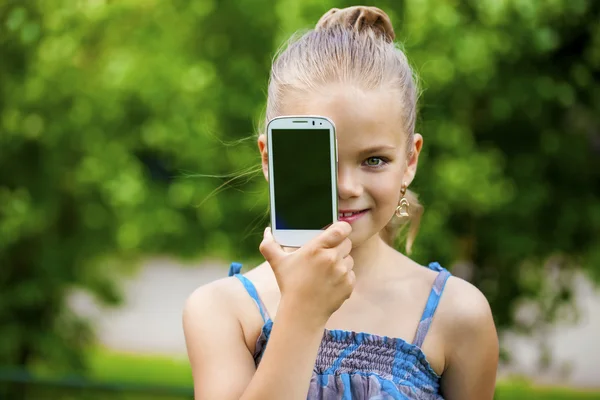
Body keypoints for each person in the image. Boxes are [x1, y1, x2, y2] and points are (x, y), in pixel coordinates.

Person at [183, 5, 499, 400]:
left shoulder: (459, 315)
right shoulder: (222, 311)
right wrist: (302, 311)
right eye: (321, 162)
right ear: (270, 159)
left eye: (374, 160)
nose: (347, 186)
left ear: (410, 161)